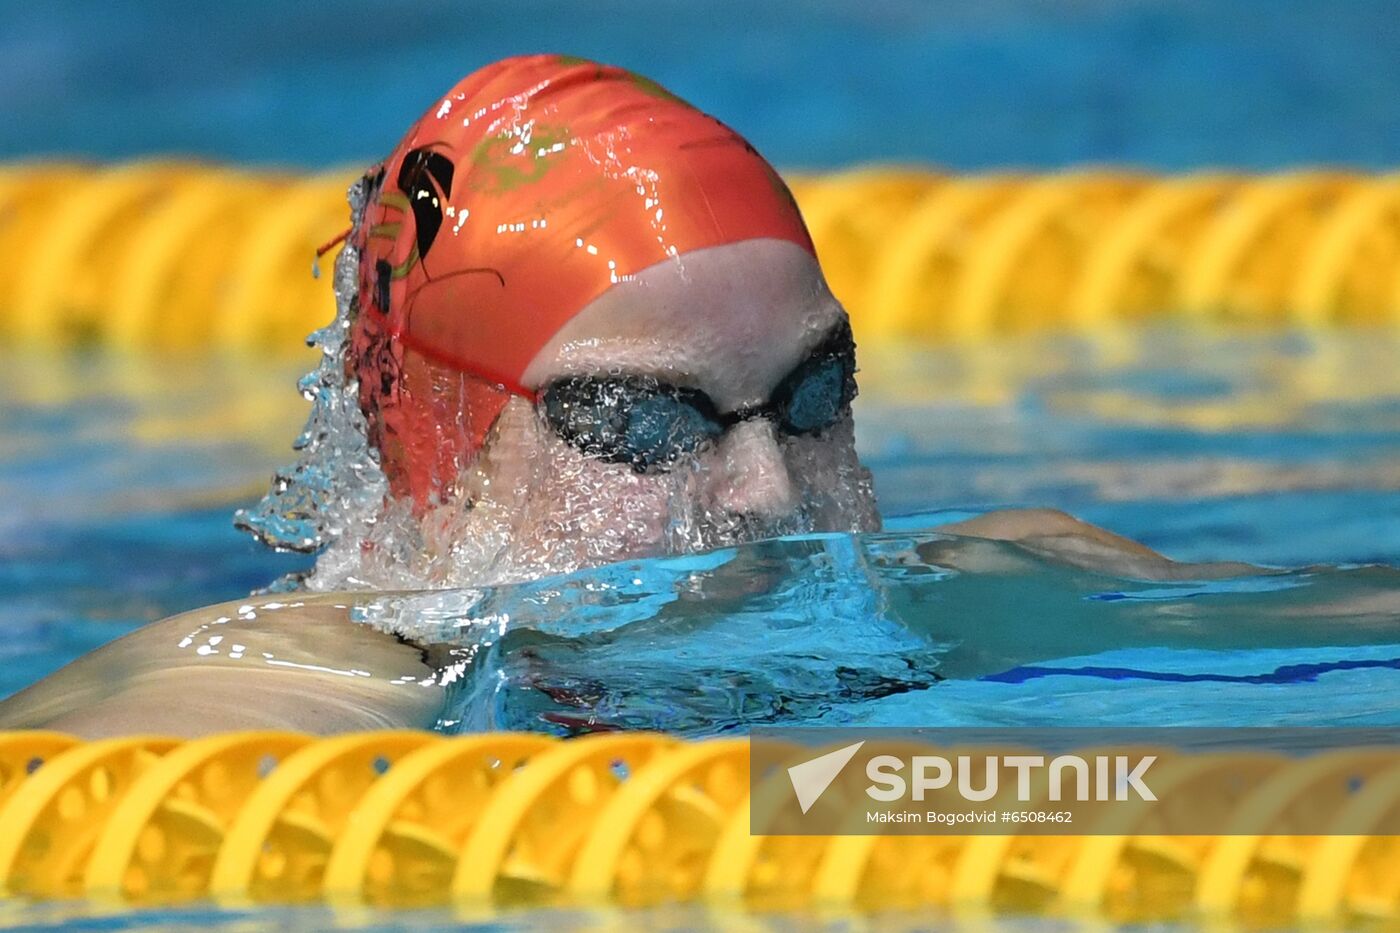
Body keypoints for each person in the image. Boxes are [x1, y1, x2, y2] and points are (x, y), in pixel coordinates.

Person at [0, 55, 1248, 738]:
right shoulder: (245, 718)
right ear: (442, 452)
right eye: (645, 424)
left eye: (814, 397)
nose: (769, 497)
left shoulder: (1008, 585)